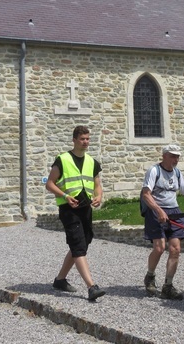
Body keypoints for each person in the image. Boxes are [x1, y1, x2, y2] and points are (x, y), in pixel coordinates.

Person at [45, 125, 105, 302]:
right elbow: (49, 184)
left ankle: (60, 280)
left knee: (82, 243)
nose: (86, 142)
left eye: (87, 139)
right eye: (82, 139)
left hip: (86, 208)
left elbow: (97, 185)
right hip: (68, 209)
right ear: (74, 140)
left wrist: (99, 196)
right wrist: (64, 195)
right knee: (78, 245)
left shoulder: (92, 162)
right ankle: (91, 287)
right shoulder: (62, 160)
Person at [140, 144, 184, 300]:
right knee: (160, 248)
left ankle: (168, 285)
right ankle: (150, 275)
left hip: (174, 211)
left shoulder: (177, 173)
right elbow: (146, 194)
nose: (176, 159)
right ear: (164, 156)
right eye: (173, 156)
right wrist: (158, 210)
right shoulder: (154, 171)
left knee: (175, 249)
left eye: (177, 156)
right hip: (156, 211)